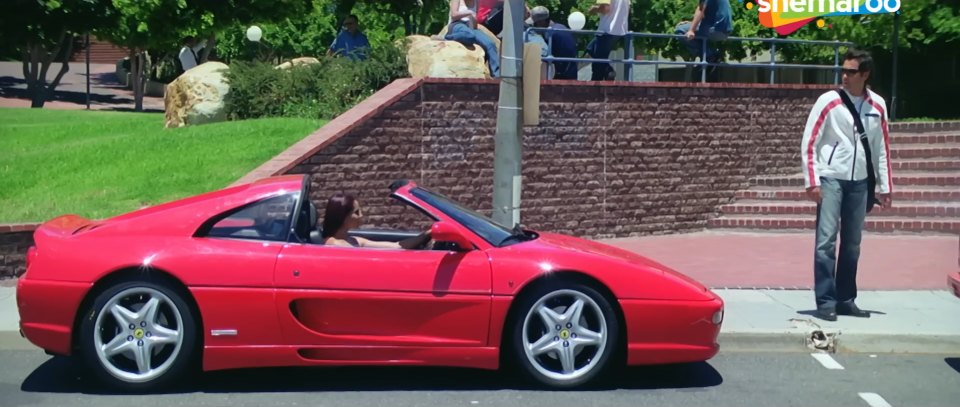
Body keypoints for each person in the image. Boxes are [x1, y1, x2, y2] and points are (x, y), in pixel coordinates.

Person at [800, 48, 893, 322]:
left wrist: (885, 187)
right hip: (831, 177)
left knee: (852, 244)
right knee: (825, 241)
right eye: (842, 70)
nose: (844, 76)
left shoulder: (877, 105)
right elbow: (809, 141)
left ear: (865, 74)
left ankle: (846, 299)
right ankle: (826, 300)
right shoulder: (828, 101)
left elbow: (881, 149)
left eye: (851, 71)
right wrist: (812, 181)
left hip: (860, 182)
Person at [321, 193, 432, 249]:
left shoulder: (354, 241)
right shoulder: (334, 244)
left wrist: (427, 234)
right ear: (343, 217)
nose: (361, 215)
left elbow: (397, 246)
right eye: (356, 212)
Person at [445, 0, 501, 78]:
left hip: (470, 28)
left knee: (490, 44)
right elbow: (453, 15)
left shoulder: (476, 2)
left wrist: (473, 19)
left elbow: (474, 25)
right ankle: (446, 38)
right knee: (469, 36)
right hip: (457, 25)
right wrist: (469, 12)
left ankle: (497, 75)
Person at [674, 0, 733, 66]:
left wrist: (691, 30)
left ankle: (709, 55)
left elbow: (700, 10)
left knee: (680, 30)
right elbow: (705, 15)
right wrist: (690, 23)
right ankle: (708, 55)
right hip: (725, 31)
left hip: (714, 30)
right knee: (690, 30)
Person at [528, 6, 578, 80]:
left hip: (561, 75)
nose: (535, 27)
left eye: (535, 24)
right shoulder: (562, 27)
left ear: (542, 22)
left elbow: (546, 56)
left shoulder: (549, 34)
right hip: (571, 72)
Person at [587, 0, 629, 81]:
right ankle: (607, 72)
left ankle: (608, 73)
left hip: (606, 30)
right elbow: (628, 8)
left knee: (598, 63)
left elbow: (605, 8)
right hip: (619, 30)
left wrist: (594, 9)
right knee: (590, 49)